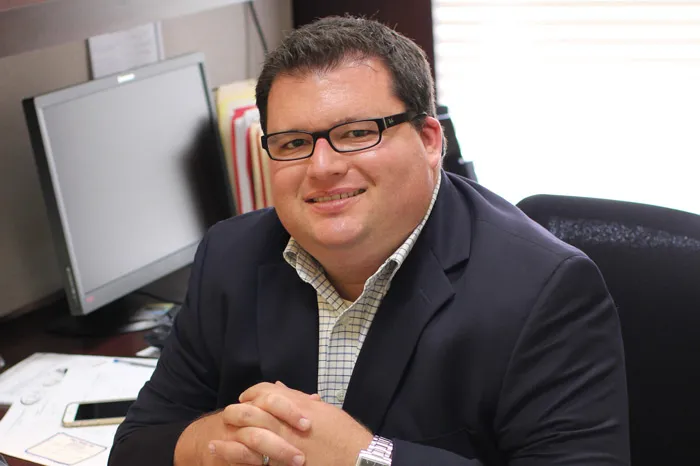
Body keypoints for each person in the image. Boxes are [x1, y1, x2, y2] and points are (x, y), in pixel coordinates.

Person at [109, 16, 629, 466]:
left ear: (429, 141)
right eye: (293, 143)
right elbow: (134, 446)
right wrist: (207, 444)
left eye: (357, 133)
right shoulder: (232, 254)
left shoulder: (545, 291)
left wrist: (366, 456)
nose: (323, 166)